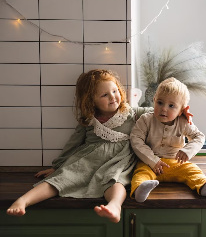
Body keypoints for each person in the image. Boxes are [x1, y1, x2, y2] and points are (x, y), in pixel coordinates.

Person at [6, 69, 152, 223]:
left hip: (119, 160)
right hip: (89, 159)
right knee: (63, 177)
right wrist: (57, 166)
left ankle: (114, 207)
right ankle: (24, 200)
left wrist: (179, 109)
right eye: (104, 95)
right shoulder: (89, 120)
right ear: (91, 100)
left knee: (115, 180)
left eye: (115, 91)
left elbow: (156, 112)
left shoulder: (132, 113)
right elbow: (72, 144)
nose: (113, 97)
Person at [130, 77, 206, 202]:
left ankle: (203, 186)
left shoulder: (183, 122)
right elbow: (136, 139)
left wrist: (188, 151)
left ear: (182, 110)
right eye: (160, 102)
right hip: (150, 164)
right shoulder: (146, 119)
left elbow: (199, 137)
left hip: (175, 163)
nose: (164, 108)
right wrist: (152, 160)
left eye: (171, 106)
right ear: (154, 100)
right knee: (140, 173)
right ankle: (140, 189)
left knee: (192, 170)